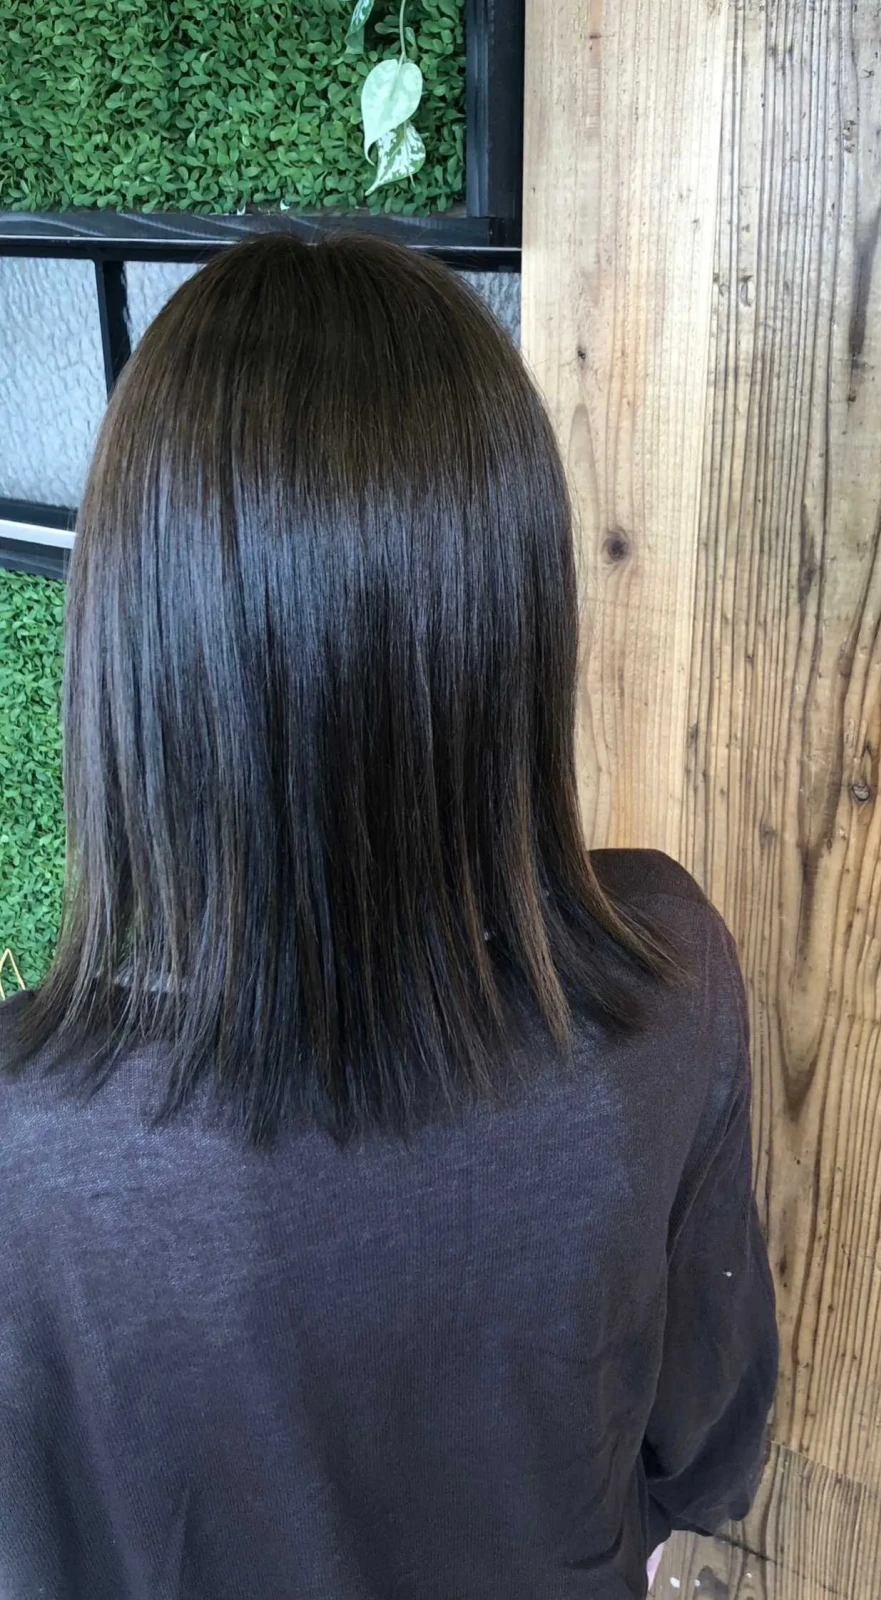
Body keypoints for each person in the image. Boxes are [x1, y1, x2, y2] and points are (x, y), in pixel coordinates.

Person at [0, 234, 777, 1599]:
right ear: (511, 613)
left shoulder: (25, 1130)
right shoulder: (663, 973)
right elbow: (704, 1432)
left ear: (131, 646)